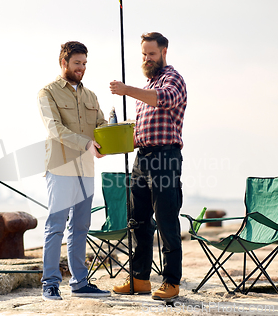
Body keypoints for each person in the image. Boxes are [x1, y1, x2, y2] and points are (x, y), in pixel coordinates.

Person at [110, 32, 187, 301]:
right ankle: (140, 278)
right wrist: (106, 147)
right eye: (143, 54)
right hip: (142, 159)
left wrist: (126, 89)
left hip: (165, 159)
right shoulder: (147, 85)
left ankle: (171, 282)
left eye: (151, 54)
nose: (147, 58)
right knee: (138, 221)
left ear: (164, 51)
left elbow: (163, 99)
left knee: (166, 219)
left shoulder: (172, 79)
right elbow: (138, 134)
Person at [37, 41, 111, 300]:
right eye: (77, 63)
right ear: (64, 63)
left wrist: (118, 131)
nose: (82, 68)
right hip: (60, 168)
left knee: (81, 226)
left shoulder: (91, 96)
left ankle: (80, 282)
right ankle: (50, 283)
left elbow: (101, 124)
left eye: (85, 64)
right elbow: (54, 129)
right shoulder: (47, 92)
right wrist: (87, 143)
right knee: (56, 226)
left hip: (86, 170)